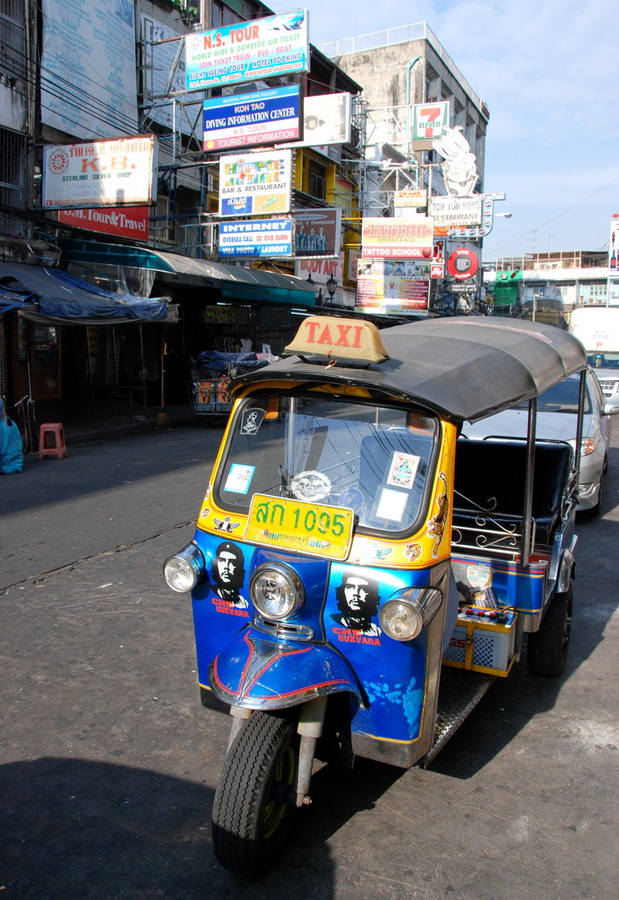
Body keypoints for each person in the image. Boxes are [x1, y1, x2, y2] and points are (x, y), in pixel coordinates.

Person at [211, 541, 248, 608]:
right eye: (222, 561)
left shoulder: (243, 602)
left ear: (239, 567)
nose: (226, 567)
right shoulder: (210, 592)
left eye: (232, 562)